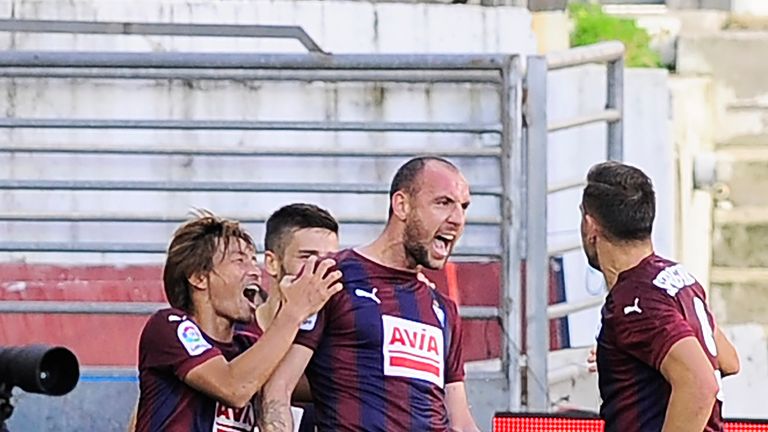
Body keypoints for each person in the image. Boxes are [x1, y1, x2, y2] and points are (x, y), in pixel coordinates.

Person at [261, 156, 480, 432]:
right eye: (443, 203)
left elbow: (459, 421)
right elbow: (278, 388)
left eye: (464, 207)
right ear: (402, 205)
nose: (458, 219)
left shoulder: (443, 308)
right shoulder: (331, 277)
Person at [134, 211, 342, 432]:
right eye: (239, 260)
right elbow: (233, 388)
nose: (254, 271)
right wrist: (294, 312)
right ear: (199, 277)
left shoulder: (248, 346)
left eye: (254, 260)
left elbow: (310, 384)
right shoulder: (170, 325)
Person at [580, 161, 740, 432]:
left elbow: (702, 384)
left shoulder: (635, 302)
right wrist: (639, 354)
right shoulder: (677, 278)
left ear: (590, 226)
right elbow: (727, 360)